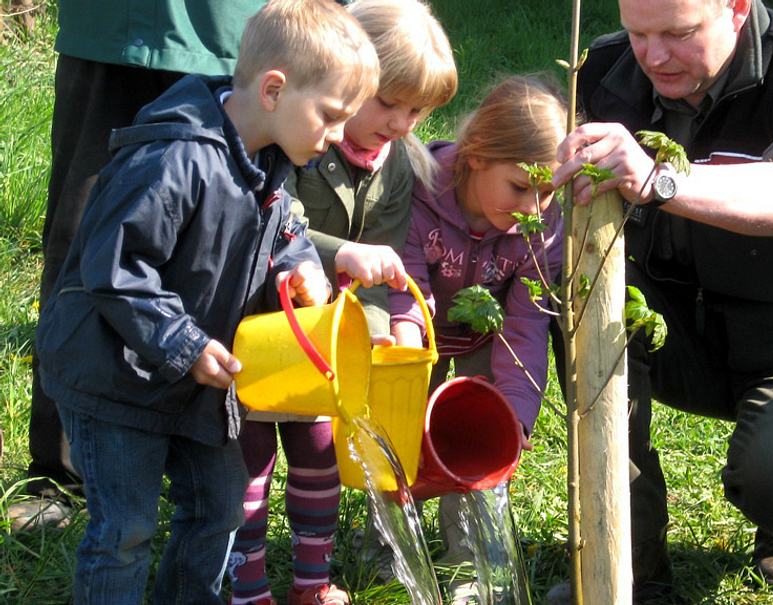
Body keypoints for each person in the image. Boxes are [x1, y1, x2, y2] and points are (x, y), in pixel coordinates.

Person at [548, 0, 773, 598]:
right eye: (638, 33)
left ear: (736, 9)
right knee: (573, 300)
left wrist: (659, 179)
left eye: (678, 33)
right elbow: (519, 142)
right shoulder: (605, 71)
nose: (653, 56)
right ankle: (629, 554)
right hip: (676, 331)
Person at [33, 2, 378, 603]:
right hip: (116, 378)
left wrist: (297, 267)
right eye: (330, 116)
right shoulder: (174, 157)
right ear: (274, 89)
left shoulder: (271, 158)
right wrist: (184, 344)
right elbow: (115, 268)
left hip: (195, 383)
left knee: (220, 507)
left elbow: (285, 230)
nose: (337, 136)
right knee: (126, 529)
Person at [227, 1, 457, 604]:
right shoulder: (297, 138)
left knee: (320, 459)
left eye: (417, 111)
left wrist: (376, 328)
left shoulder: (397, 166)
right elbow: (276, 223)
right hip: (260, 331)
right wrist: (343, 254)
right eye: (389, 103)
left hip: (327, 346)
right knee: (249, 462)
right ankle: (246, 585)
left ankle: (312, 583)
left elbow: (383, 262)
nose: (402, 123)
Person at [10, 0, 267, 531]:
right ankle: (62, 474)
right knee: (82, 245)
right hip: (111, 32)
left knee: (218, 259)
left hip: (235, 37)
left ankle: (194, 474)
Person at [389, 74, 566, 603]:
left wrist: (514, 410)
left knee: (477, 442)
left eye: (547, 192)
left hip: (482, 340)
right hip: (412, 335)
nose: (534, 207)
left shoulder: (542, 230)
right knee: (399, 432)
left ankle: (469, 562)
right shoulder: (417, 191)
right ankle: (385, 546)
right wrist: (407, 364)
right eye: (520, 187)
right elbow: (405, 287)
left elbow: (526, 325)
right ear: (476, 155)